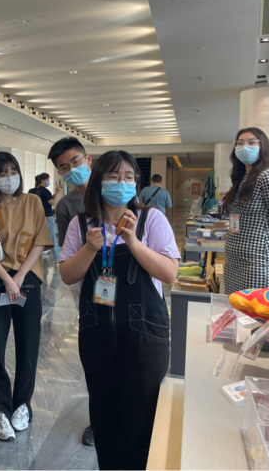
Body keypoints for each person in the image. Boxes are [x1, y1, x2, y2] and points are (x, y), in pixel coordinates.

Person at [59, 150, 180, 471]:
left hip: (145, 333)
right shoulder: (81, 224)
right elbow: (68, 274)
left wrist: (134, 242)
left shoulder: (151, 219)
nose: (121, 182)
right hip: (96, 331)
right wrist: (90, 247)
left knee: (141, 418)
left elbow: (169, 273)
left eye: (128, 177)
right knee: (104, 417)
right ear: (99, 180)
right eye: (113, 176)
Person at [0, 152, 52, 441]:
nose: (9, 178)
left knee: (28, 345)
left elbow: (40, 241)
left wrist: (18, 277)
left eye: (13, 171)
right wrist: (7, 279)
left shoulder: (33, 202)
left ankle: (22, 406)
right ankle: (0, 410)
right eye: (2, 173)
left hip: (27, 279)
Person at [47, 136, 95, 446]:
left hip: (126, 287)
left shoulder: (116, 192)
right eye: (64, 167)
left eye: (75, 162)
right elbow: (68, 253)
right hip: (89, 286)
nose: (72, 170)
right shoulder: (66, 206)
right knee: (95, 353)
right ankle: (99, 418)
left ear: (88, 159)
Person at [223, 128, 269, 294]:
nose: (244, 147)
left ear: (263, 146)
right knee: (235, 306)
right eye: (240, 143)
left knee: (254, 307)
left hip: (257, 261)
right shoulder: (241, 178)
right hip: (235, 259)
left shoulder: (267, 176)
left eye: (252, 142)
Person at [28, 173, 63, 263]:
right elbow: (53, 202)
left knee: (35, 239)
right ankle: (58, 259)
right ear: (43, 181)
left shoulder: (31, 191)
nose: (48, 182)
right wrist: (57, 192)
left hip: (35, 218)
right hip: (47, 217)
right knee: (52, 238)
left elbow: (48, 199)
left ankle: (31, 260)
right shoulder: (45, 191)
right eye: (47, 180)